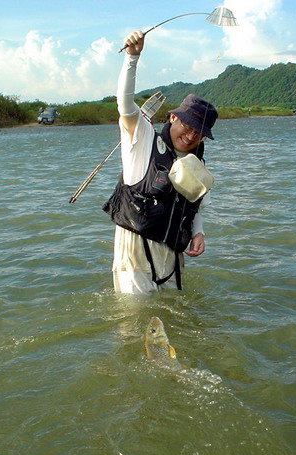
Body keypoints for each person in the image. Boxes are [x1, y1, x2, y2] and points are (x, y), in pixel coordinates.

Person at [103, 30, 218, 294]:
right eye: (187, 126)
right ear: (173, 118)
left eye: (199, 132)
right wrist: (132, 57)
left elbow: (195, 204)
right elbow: (125, 105)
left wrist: (198, 233)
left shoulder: (196, 160)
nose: (190, 136)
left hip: (172, 254)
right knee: (135, 324)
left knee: (173, 324)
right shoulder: (142, 139)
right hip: (135, 252)